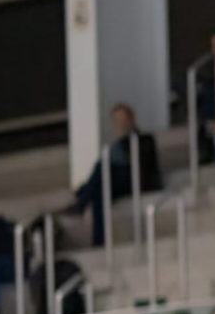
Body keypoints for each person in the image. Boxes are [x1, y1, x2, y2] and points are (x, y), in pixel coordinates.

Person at [68, 103, 162, 248]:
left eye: (122, 119)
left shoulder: (144, 140)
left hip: (137, 181)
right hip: (116, 183)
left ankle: (83, 198)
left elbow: (142, 165)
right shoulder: (114, 147)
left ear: (131, 120)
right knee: (99, 194)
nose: (120, 124)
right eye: (117, 120)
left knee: (102, 167)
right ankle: (99, 242)